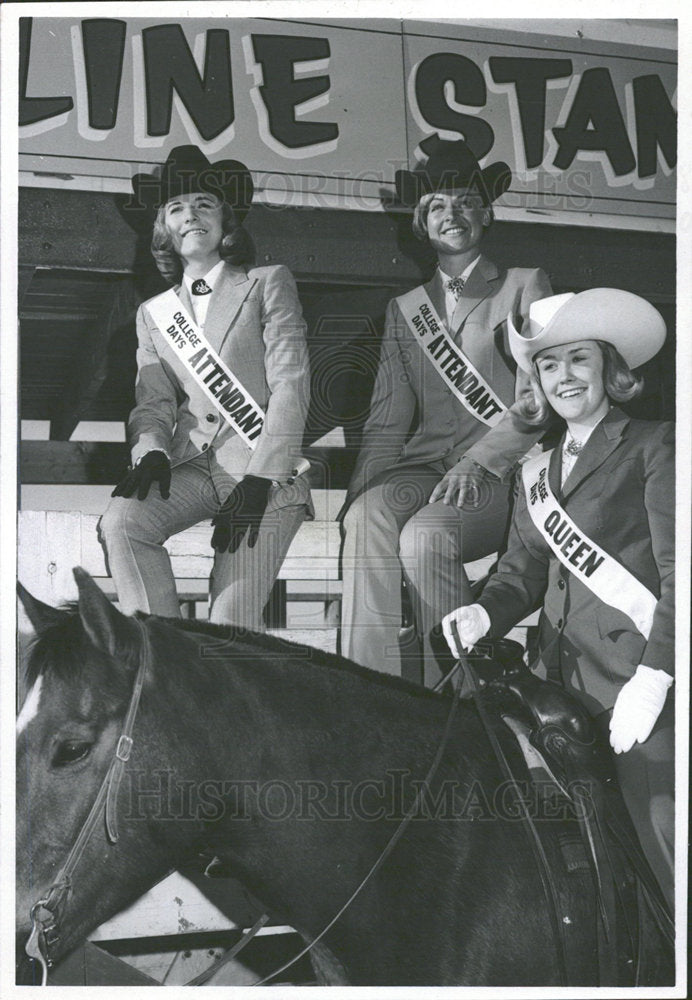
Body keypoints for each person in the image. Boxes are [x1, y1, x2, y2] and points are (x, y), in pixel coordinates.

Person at [442, 288, 674, 909]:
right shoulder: (533, 470)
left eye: (578, 360)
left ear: (610, 369)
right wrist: (486, 611)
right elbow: (523, 571)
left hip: (642, 683)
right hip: (554, 682)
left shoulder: (658, 445)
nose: (563, 376)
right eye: (548, 364)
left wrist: (656, 677)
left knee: (662, 826)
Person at [341, 135, 552, 684]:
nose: (450, 212)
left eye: (463, 201)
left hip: (498, 478)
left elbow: (536, 399)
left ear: (485, 212)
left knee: (425, 536)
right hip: (428, 468)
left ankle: (463, 696)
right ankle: (372, 685)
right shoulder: (405, 310)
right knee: (366, 518)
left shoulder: (523, 286)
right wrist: (360, 490)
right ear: (422, 222)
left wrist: (477, 461)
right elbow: (387, 418)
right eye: (437, 204)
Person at [100, 146, 311, 627]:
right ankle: (161, 651)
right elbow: (152, 402)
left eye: (204, 204)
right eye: (176, 207)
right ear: (164, 230)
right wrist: (150, 449)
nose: (190, 214)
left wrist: (261, 477)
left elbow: (291, 384)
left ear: (226, 222)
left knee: (231, 620)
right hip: (189, 467)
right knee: (122, 522)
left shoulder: (266, 283)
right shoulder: (154, 314)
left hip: (263, 473)